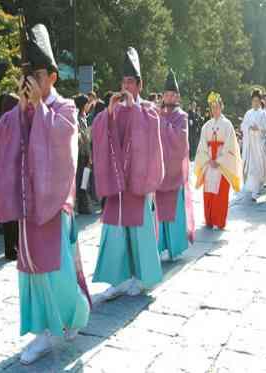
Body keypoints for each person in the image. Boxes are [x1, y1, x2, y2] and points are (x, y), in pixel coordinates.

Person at [0, 24, 90, 365]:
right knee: (30, 270)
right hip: (28, 202)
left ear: (52, 76)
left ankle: (73, 313)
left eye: (37, 73)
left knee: (55, 267)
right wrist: (22, 109)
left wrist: (39, 108)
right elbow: (7, 140)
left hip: (53, 202)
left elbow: (63, 142)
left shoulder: (64, 108)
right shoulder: (24, 108)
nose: (31, 80)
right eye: (28, 74)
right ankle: (42, 332)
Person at [91, 47, 164, 300]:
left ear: (140, 84)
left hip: (138, 182)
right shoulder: (117, 108)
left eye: (130, 82)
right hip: (117, 184)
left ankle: (143, 279)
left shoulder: (149, 110)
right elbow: (101, 132)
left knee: (139, 232)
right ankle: (118, 278)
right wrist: (109, 113)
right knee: (115, 231)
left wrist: (134, 109)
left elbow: (150, 137)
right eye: (123, 82)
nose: (126, 86)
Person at [156, 69, 195, 261]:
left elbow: (181, 140)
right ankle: (161, 245)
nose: (169, 97)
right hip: (160, 170)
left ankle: (176, 247)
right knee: (160, 212)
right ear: (163, 96)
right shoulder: (158, 114)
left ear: (177, 97)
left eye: (172, 94)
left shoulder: (182, 116)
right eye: (167, 94)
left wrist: (162, 123)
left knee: (174, 210)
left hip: (175, 171)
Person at [195, 92, 242, 229]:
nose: (214, 110)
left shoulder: (227, 125)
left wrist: (219, 160)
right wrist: (208, 159)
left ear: (221, 107)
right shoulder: (206, 126)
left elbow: (230, 146)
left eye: (217, 107)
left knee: (221, 192)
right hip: (209, 161)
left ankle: (219, 220)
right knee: (209, 191)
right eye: (212, 107)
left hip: (222, 163)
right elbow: (202, 145)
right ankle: (209, 219)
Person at [0, 93, 20, 261]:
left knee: (8, 211)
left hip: (0, 167)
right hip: (10, 169)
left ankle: (10, 248)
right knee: (13, 213)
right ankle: (12, 248)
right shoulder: (11, 121)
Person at [241, 89, 266, 201]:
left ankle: (257, 187)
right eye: (254, 101)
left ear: (260, 101)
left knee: (259, 166)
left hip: (259, 143)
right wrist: (248, 127)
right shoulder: (248, 113)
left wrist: (258, 128)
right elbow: (243, 126)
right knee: (252, 167)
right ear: (251, 101)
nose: (255, 103)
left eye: (257, 101)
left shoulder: (263, 113)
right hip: (250, 144)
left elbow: (265, 127)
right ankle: (254, 190)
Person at [74, 94, 92, 215]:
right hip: (80, 154)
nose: (88, 106)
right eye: (87, 103)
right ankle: (80, 206)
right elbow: (79, 136)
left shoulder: (84, 117)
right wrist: (86, 133)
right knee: (80, 180)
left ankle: (83, 205)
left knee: (84, 180)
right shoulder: (76, 118)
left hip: (86, 154)